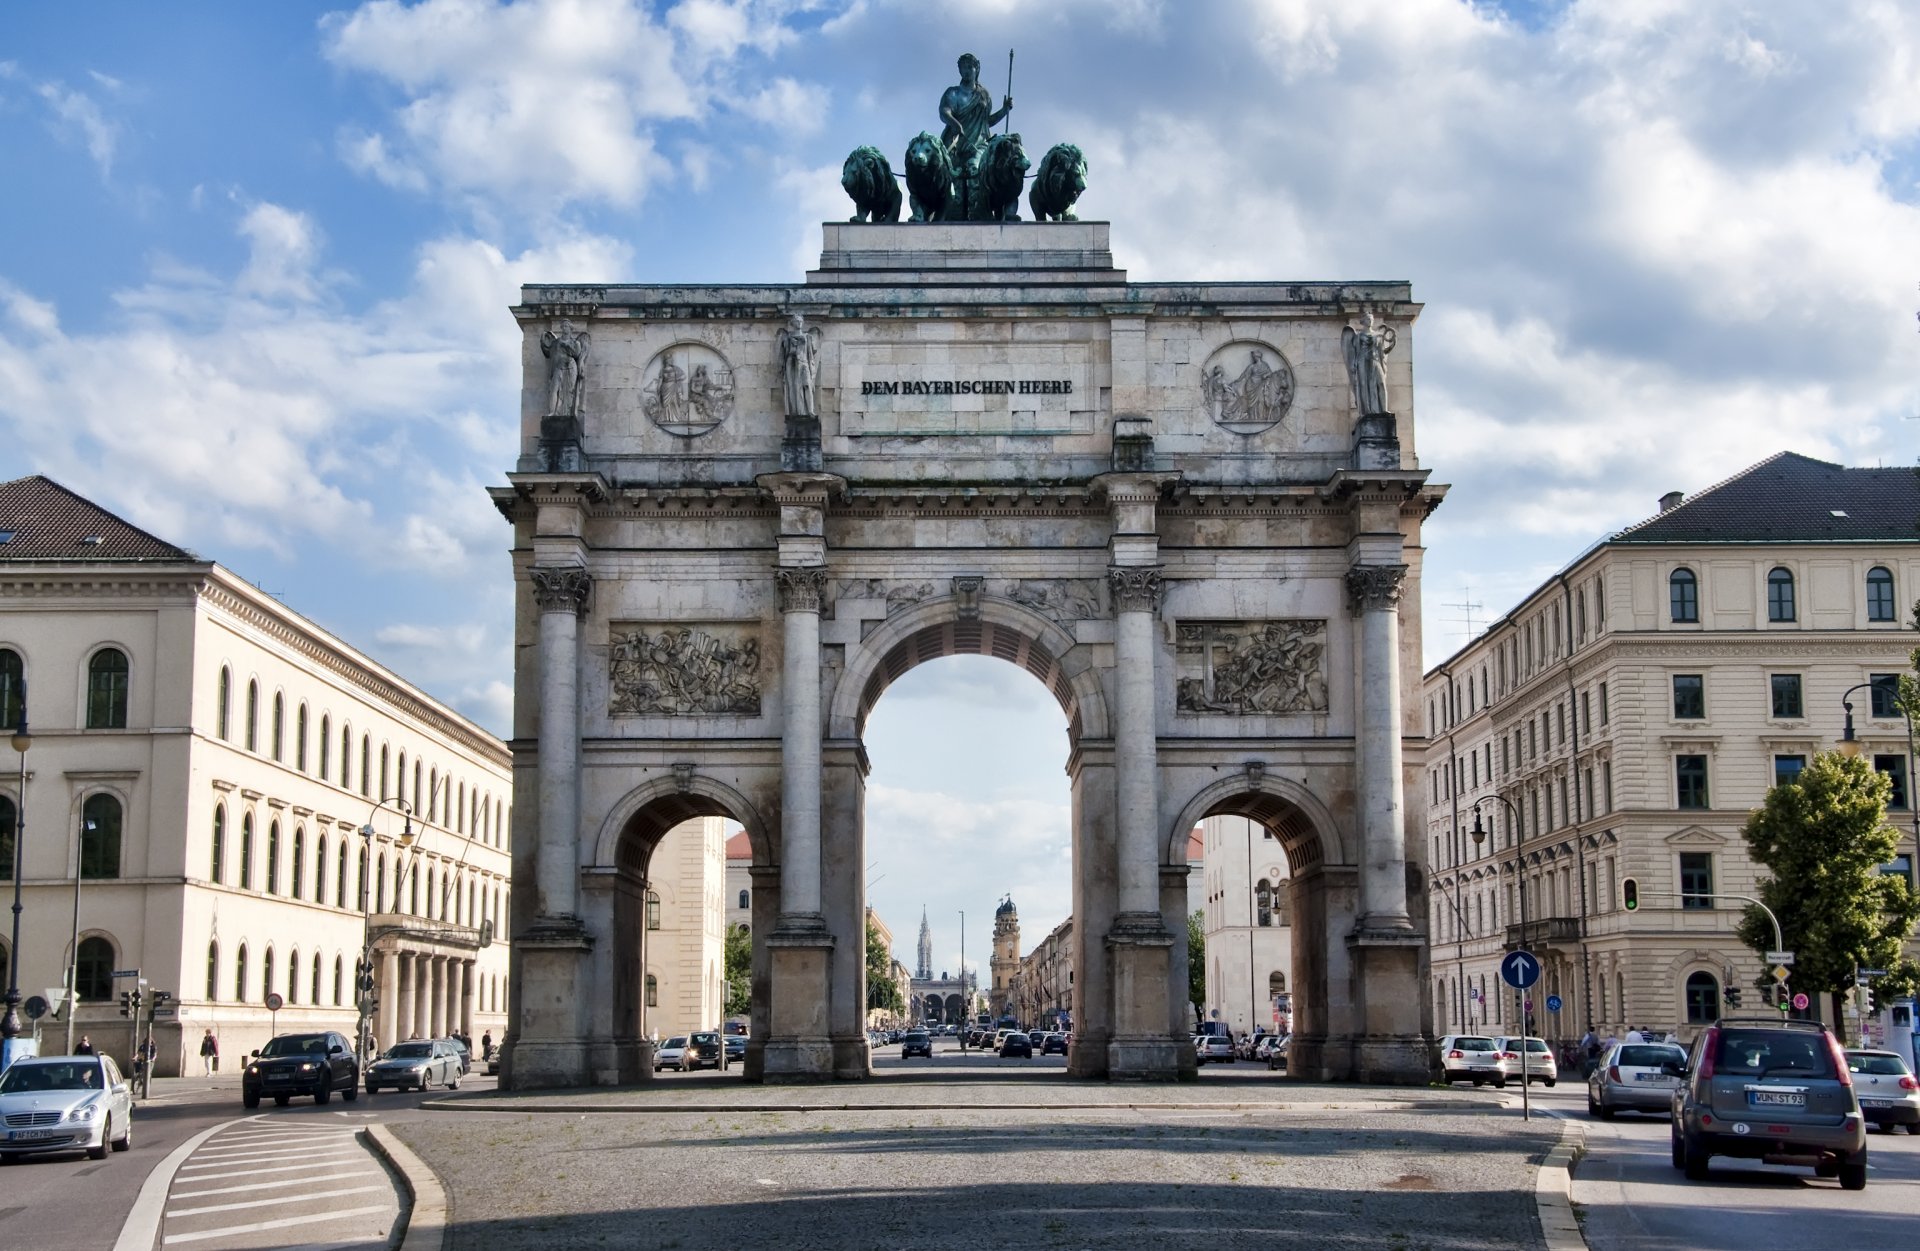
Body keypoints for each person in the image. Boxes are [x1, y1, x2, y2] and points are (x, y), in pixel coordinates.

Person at [938, 52, 1012, 218]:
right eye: (963, 68)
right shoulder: (952, 93)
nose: (966, 71)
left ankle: (977, 209)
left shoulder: (984, 95)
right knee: (949, 173)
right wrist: (954, 123)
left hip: (978, 144)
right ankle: (951, 209)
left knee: (975, 169)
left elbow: (987, 122)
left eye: (970, 67)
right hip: (956, 143)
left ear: (977, 69)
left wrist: (1004, 111)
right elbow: (944, 112)